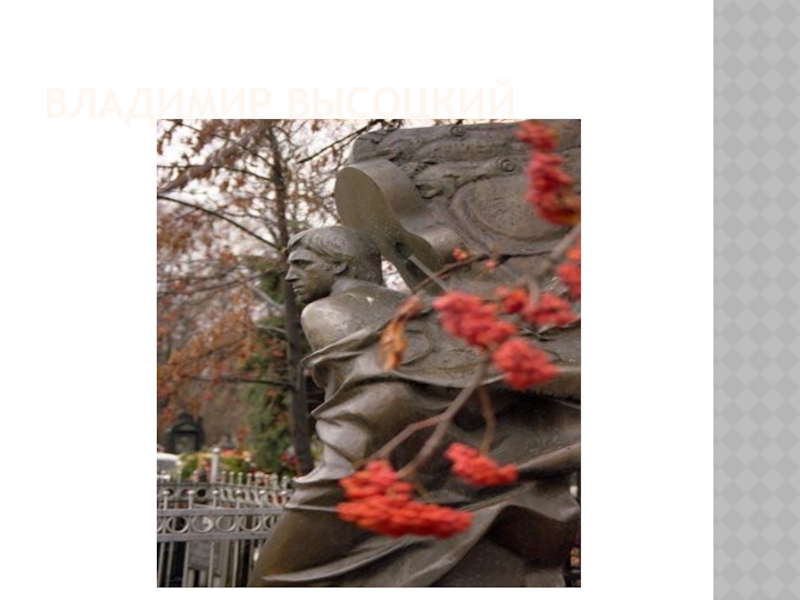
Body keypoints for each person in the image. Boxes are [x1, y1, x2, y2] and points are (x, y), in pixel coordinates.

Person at [249, 226, 580, 587]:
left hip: (363, 445)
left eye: (302, 264)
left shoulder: (324, 312)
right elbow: (461, 368)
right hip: (428, 447)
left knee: (275, 577)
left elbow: (385, 386)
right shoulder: (422, 311)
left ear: (339, 265)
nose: (290, 276)